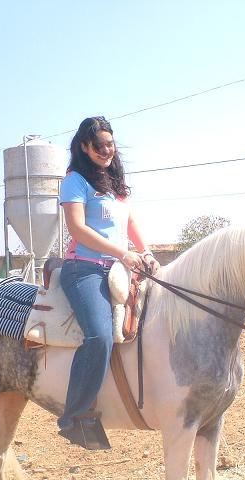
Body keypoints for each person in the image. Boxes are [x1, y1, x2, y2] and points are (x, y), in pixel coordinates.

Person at [57, 116, 160, 450]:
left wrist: (145, 251)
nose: (105, 151)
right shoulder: (75, 181)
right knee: (100, 336)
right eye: (98, 146)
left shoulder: (115, 184)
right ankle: (75, 416)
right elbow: (77, 229)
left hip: (118, 267)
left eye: (109, 144)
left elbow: (129, 222)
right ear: (84, 147)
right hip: (84, 270)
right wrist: (123, 253)